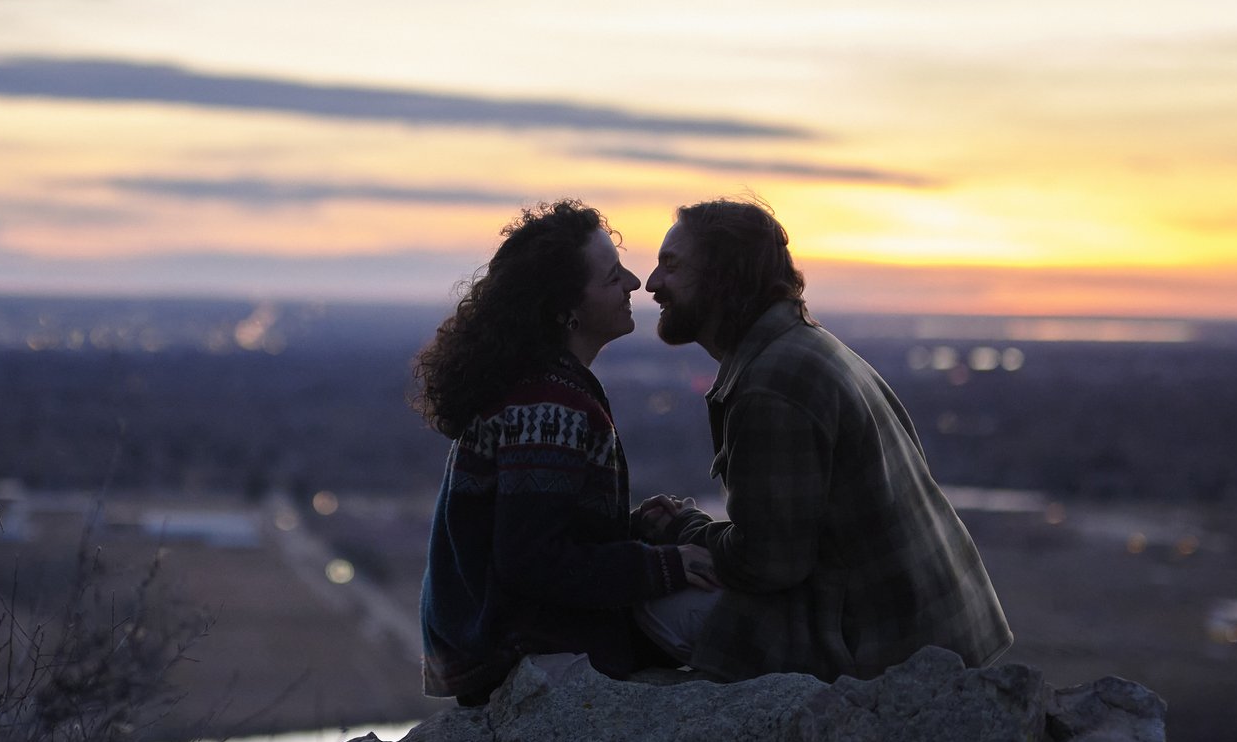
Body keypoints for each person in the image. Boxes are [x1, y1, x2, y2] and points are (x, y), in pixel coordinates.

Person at [635, 197, 1012, 682]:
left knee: (654, 603)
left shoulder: (772, 382)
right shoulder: (803, 346)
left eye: (671, 265)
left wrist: (681, 532)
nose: (652, 284)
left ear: (721, 278)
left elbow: (767, 564)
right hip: (931, 626)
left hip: (887, 649)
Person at [414, 200, 722, 705]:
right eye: (611, 277)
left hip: (493, 637)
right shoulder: (548, 406)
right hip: (510, 649)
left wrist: (632, 529)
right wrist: (662, 566)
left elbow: (540, 535)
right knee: (734, 615)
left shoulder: (538, 385)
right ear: (567, 311)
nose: (633, 283)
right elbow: (532, 562)